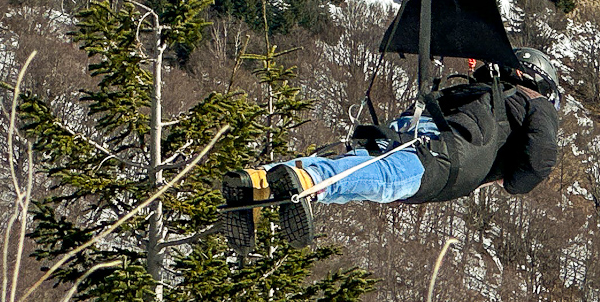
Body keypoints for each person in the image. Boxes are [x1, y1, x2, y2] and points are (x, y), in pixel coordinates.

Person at [231, 46, 562, 246]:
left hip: (417, 127)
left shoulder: (481, 92)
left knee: (364, 170)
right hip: (451, 148)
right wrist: (513, 183)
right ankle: (308, 181)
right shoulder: (534, 102)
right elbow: (541, 157)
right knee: (387, 178)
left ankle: (263, 181)